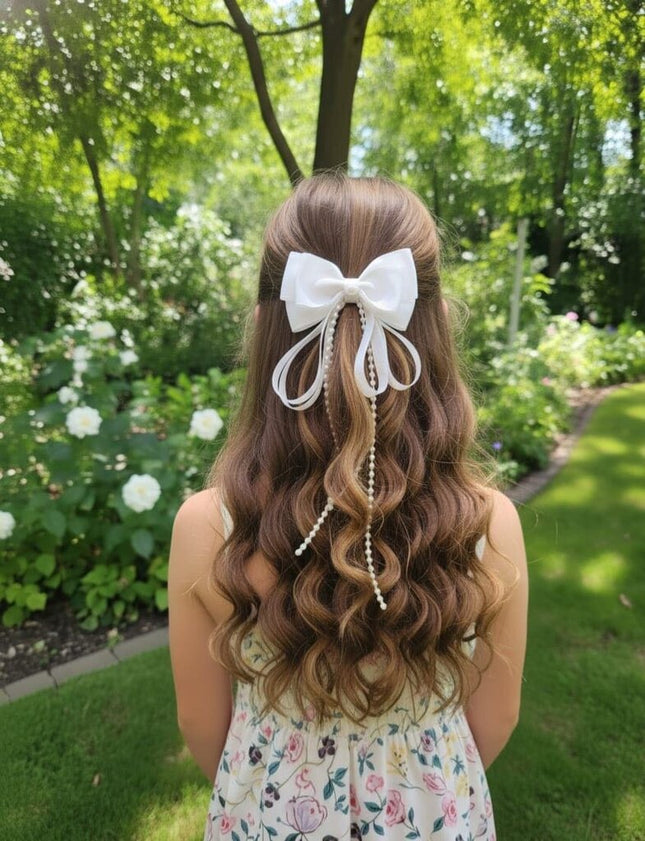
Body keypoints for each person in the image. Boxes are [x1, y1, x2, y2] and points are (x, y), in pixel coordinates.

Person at [168, 173, 528, 841]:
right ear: (437, 327)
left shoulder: (206, 528)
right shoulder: (487, 526)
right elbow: (494, 720)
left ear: (263, 330)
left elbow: (201, 727)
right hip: (433, 817)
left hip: (267, 817)